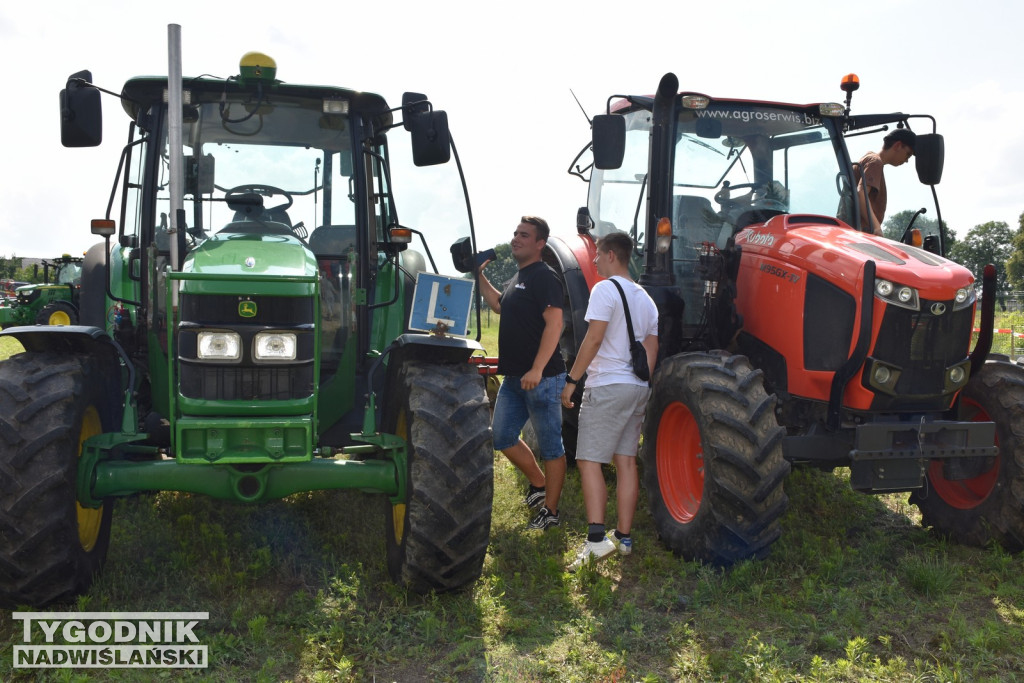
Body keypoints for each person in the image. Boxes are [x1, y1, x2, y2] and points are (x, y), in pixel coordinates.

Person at [560, 231, 658, 571]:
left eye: (599, 255)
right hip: (636, 388)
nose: (596, 261)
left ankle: (596, 540)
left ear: (612, 254)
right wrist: (640, 386)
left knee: (588, 460)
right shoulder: (647, 299)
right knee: (626, 461)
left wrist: (572, 380)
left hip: (607, 387)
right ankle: (624, 538)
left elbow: (594, 338)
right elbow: (651, 350)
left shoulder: (604, 290)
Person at [478, 216, 568, 530]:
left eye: (524, 235)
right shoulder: (519, 277)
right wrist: (479, 275)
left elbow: (555, 324)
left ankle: (551, 513)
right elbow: (500, 305)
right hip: (515, 378)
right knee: (502, 436)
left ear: (540, 244)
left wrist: (538, 368)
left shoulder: (544, 276)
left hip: (541, 378)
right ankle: (539, 484)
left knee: (551, 447)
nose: (516, 239)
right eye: (515, 233)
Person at [856, 128, 916, 235]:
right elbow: (861, 193)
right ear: (897, 145)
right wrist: (876, 227)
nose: (906, 160)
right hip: (861, 233)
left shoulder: (869, 159)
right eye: (908, 154)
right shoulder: (875, 162)